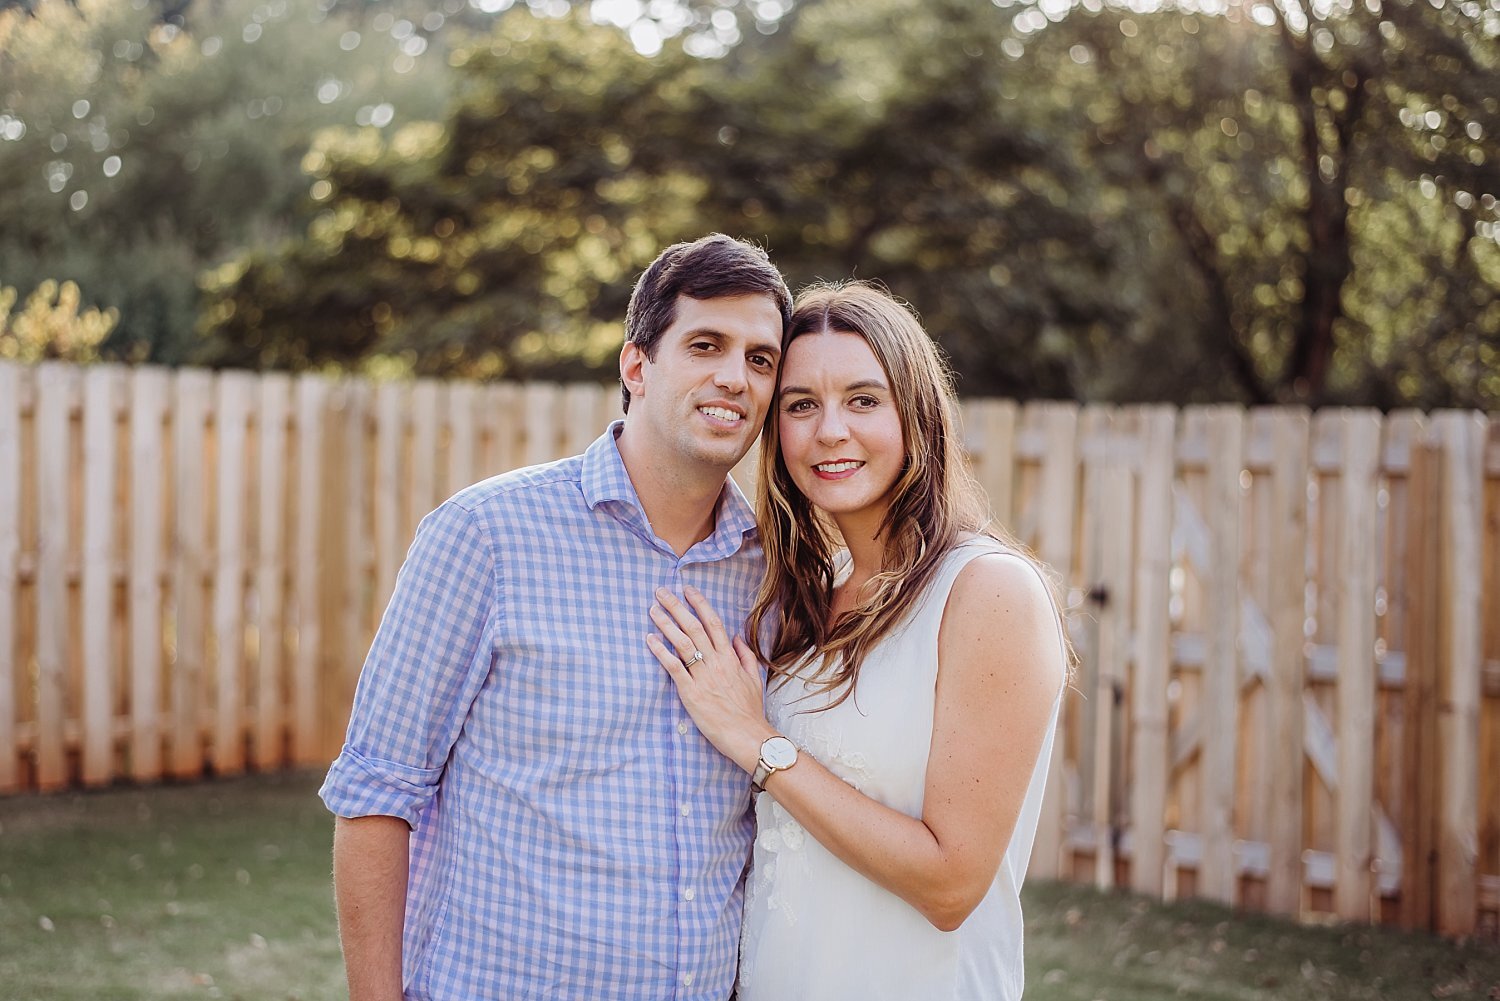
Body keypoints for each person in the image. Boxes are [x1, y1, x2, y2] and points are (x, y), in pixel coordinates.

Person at [319, 233, 792, 1001]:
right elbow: (379, 789)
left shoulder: (775, 574)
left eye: (760, 358)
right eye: (706, 344)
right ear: (636, 365)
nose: (735, 377)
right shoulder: (485, 535)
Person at [646, 281, 1067, 1001]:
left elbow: (951, 882)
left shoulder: (988, 592)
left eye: (863, 400)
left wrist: (757, 741)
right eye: (801, 404)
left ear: (917, 412)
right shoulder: (806, 598)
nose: (829, 430)